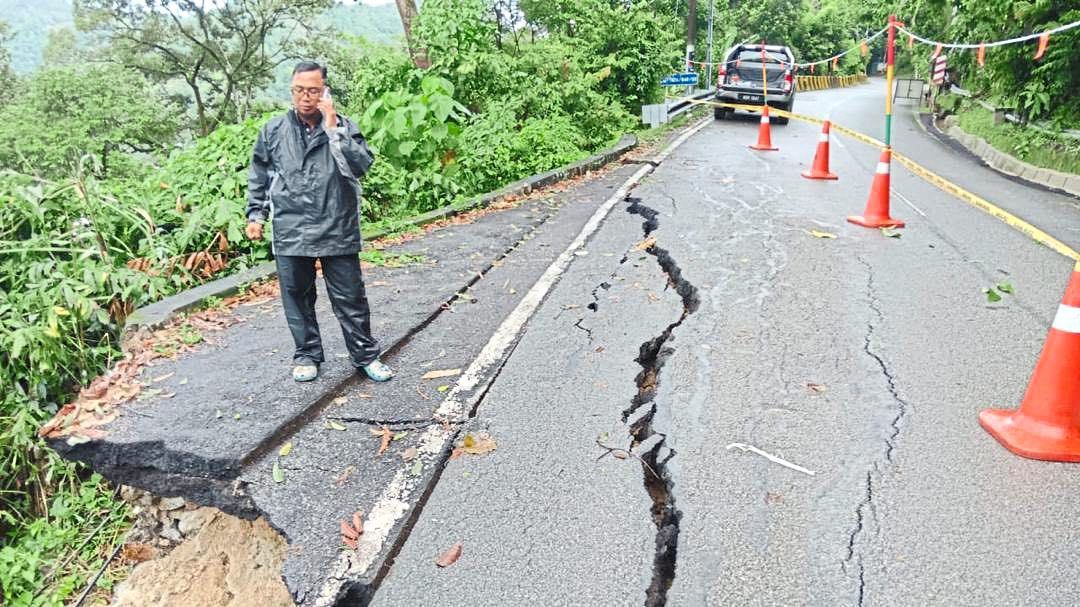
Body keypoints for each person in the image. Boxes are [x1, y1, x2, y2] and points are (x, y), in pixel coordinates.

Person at [245, 61, 393, 384]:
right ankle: (307, 354)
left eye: (313, 90)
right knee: (297, 296)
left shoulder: (342, 125)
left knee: (350, 297)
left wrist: (331, 127)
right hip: (290, 228)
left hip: (336, 225)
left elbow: (361, 165)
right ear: (292, 90)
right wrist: (256, 214)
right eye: (300, 90)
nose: (306, 97)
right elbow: (261, 175)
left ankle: (366, 355)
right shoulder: (273, 131)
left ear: (325, 91)